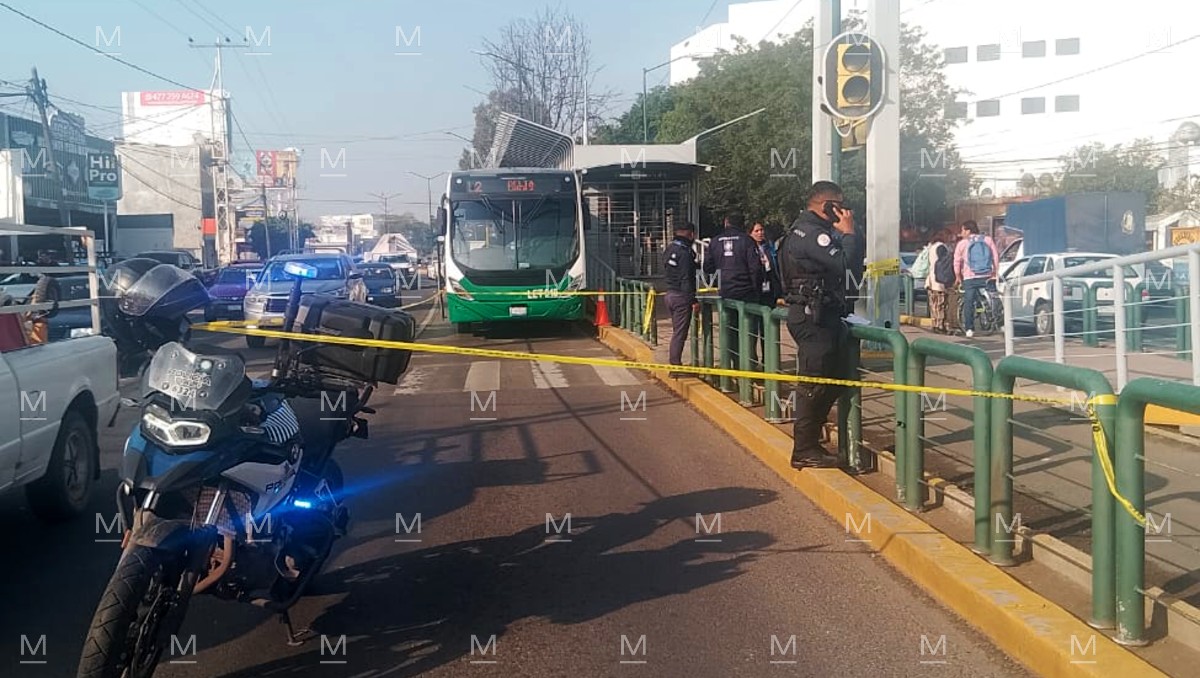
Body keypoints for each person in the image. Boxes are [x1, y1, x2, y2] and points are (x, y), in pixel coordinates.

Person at [777, 181, 863, 469]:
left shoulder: (807, 231)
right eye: (840, 204)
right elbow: (845, 265)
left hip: (821, 315)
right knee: (813, 383)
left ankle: (811, 440)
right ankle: (803, 449)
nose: (845, 209)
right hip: (813, 318)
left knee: (835, 377)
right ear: (828, 206)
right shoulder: (812, 234)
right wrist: (849, 233)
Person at [702, 211, 764, 372]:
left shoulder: (715, 242)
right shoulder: (747, 241)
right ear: (742, 225)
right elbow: (756, 268)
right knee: (749, 332)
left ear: (725, 223)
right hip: (746, 294)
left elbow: (707, 267)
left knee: (729, 332)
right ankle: (748, 366)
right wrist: (756, 288)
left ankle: (731, 366)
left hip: (726, 293)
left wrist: (720, 275)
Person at [662, 222, 699, 376]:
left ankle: (675, 364)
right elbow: (686, 279)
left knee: (677, 331)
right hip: (681, 297)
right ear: (690, 234)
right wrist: (693, 300)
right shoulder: (685, 253)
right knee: (679, 334)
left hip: (670, 294)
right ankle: (675, 367)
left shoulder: (670, 249)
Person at [953, 220, 1000, 338]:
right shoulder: (987, 240)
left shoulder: (962, 244)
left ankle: (969, 328)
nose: (961, 232)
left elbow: (957, 261)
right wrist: (995, 272)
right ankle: (999, 322)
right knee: (994, 298)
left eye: (963, 230)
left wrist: (958, 276)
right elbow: (995, 256)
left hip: (970, 277)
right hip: (986, 275)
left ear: (968, 230)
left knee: (968, 302)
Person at [749, 221, 783, 369]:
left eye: (761, 230)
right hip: (753, 292)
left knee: (767, 328)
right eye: (756, 231)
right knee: (751, 329)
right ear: (750, 233)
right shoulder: (748, 248)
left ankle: (768, 361)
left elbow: (776, 269)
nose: (760, 233)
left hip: (768, 292)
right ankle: (751, 360)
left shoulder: (769, 247)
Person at [925, 233, 954, 334]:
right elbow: (945, 263)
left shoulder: (931, 247)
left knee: (934, 304)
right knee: (941, 304)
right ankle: (940, 326)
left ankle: (935, 324)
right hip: (940, 280)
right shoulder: (941, 247)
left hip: (931, 280)